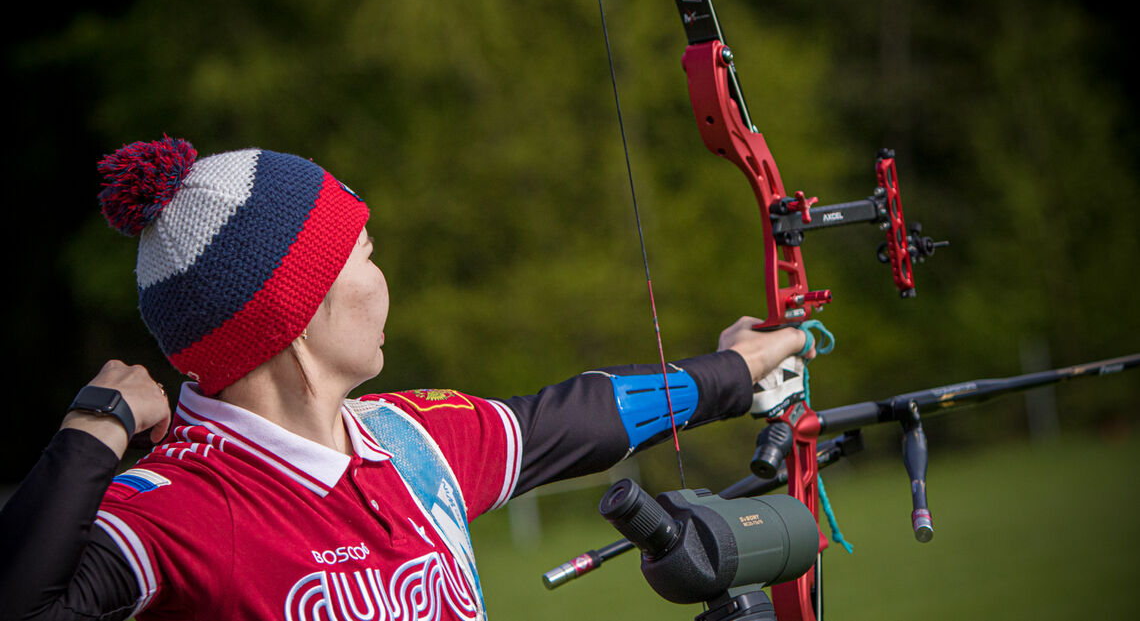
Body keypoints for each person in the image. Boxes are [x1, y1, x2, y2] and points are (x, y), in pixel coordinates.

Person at [0, 138, 812, 621]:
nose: (384, 280)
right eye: (364, 255)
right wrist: (94, 430)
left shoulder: (406, 436)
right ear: (295, 308)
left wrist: (735, 372)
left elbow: (575, 419)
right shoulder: (176, 508)